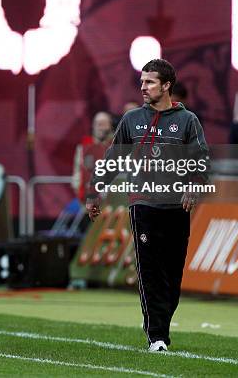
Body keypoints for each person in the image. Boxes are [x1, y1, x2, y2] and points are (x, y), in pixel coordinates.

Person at [86, 59, 210, 352]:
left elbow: (201, 160)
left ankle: (157, 324)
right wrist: (94, 192)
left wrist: (194, 186)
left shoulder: (188, 121)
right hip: (142, 203)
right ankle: (157, 337)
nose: (143, 87)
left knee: (172, 276)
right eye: (142, 82)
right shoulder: (131, 120)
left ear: (167, 86)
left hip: (176, 208)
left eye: (150, 82)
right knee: (150, 271)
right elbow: (112, 159)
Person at [71, 112, 114, 203]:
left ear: (110, 126)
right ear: (93, 126)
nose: (100, 127)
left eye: (104, 124)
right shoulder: (84, 147)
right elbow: (77, 171)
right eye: (98, 124)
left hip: (113, 201)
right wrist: (78, 189)